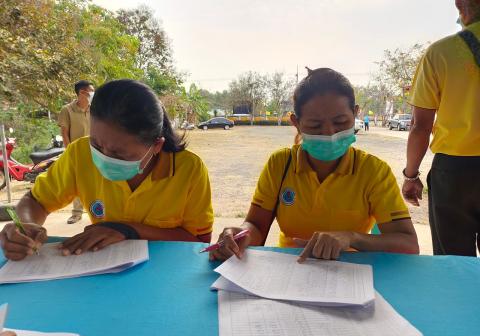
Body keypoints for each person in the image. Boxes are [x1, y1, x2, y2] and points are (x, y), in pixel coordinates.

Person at [212, 68, 419, 261]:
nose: (329, 133)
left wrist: (352, 238)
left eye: (340, 123)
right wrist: (239, 235)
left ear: (355, 114)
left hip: (349, 272)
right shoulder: (280, 164)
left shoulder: (373, 172)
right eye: (314, 125)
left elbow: (408, 244)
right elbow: (256, 226)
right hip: (288, 268)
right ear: (296, 123)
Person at [0, 79, 213, 261]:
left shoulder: (188, 169)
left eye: (120, 154)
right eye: (97, 144)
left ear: (156, 145)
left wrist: (127, 230)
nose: (104, 158)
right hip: (106, 273)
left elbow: (200, 241)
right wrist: (25, 226)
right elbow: (35, 201)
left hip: (166, 275)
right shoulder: (79, 154)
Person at [402, 0, 480, 256]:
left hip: (455, 174)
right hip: (453, 172)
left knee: (453, 263)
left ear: (460, 5)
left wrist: (411, 176)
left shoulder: (441, 53)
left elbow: (420, 127)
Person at [58, 80, 95, 224]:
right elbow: (64, 132)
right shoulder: (67, 110)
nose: (93, 93)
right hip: (76, 152)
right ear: (82, 93)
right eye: (91, 91)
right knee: (78, 182)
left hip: (95, 150)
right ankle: (77, 213)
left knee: (97, 181)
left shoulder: (95, 109)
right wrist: (69, 152)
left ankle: (98, 213)